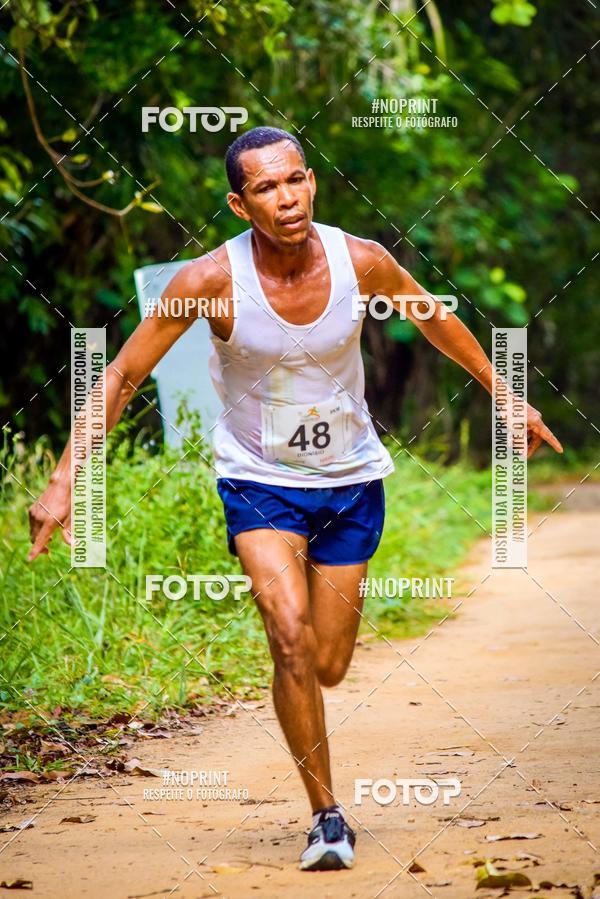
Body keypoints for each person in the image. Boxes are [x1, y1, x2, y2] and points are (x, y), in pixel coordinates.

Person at [27, 125, 562, 872]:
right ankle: (327, 815)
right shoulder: (209, 282)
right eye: (267, 188)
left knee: (328, 659)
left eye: (296, 180)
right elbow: (118, 375)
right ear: (239, 204)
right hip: (257, 478)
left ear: (312, 180)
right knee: (287, 632)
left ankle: (312, 713)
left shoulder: (362, 261)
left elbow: (433, 317)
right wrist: (62, 480)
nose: (287, 199)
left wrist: (505, 393)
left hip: (350, 479)